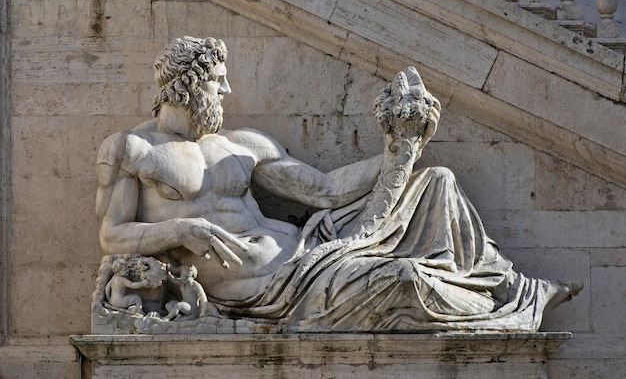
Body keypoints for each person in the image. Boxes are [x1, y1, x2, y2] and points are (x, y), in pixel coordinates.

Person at [95, 36, 581, 332]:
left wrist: (397, 145)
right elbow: (112, 235)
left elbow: (325, 191)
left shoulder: (240, 144)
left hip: (313, 248)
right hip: (267, 287)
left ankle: (516, 288)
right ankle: (492, 305)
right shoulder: (133, 150)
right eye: (217, 81)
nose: (226, 91)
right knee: (405, 279)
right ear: (185, 85)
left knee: (436, 181)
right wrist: (181, 232)